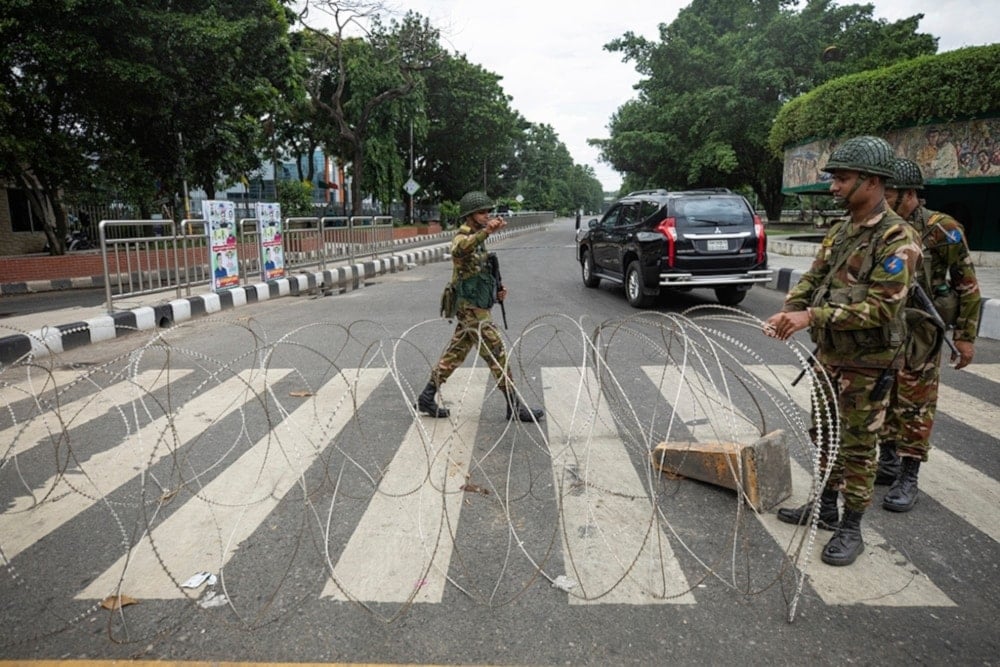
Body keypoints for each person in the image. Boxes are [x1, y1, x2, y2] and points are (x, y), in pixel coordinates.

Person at [763, 136, 922, 567]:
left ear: (872, 182)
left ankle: (852, 527)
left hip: (868, 364)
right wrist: (791, 311)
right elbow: (813, 280)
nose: (834, 187)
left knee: (857, 446)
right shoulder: (841, 231)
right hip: (830, 357)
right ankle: (825, 506)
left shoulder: (897, 238)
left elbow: (883, 306)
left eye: (843, 178)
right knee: (825, 436)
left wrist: (811, 318)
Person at [876, 157, 981, 511]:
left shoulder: (943, 229)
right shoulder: (880, 226)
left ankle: (909, 473)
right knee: (885, 394)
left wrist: (966, 337)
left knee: (916, 401)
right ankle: (887, 460)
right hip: (885, 325)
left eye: (888, 191)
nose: (882, 197)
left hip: (921, 327)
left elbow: (967, 286)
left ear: (909, 194)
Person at [416, 191, 544, 423]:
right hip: (471, 310)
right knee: (497, 353)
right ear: (470, 215)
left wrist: (497, 290)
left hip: (475, 306)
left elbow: (479, 272)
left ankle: (427, 395)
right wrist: (487, 232)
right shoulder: (464, 236)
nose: (487, 216)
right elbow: (458, 249)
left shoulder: (478, 238)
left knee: (455, 353)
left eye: (488, 212)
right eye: (482, 212)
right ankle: (514, 406)